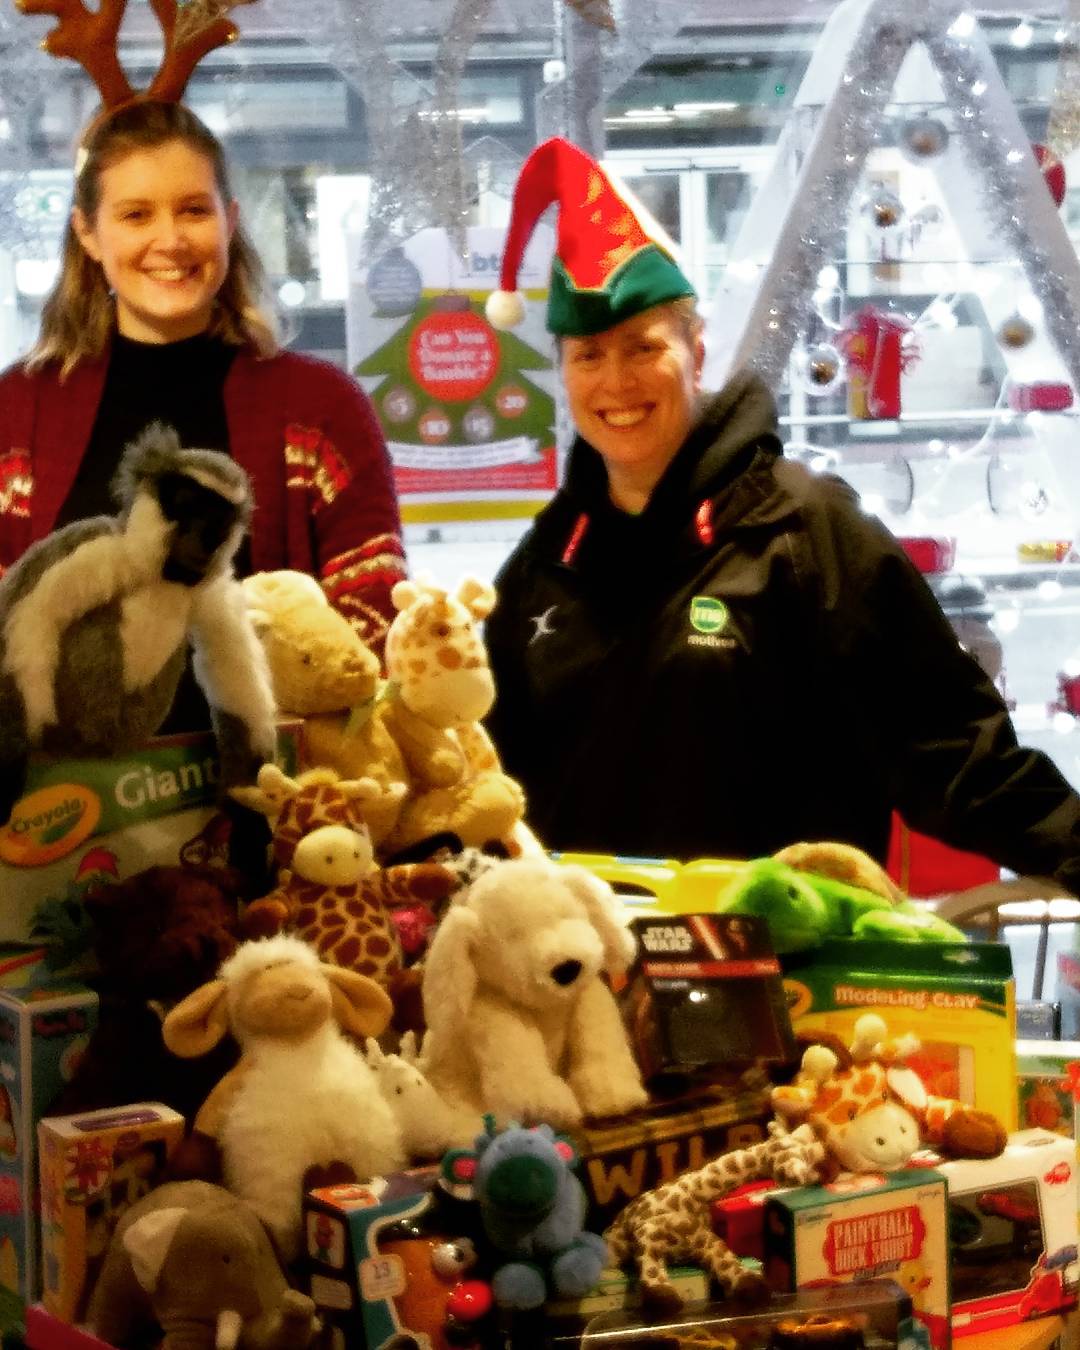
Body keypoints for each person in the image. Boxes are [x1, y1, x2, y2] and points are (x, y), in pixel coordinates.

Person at [482, 137, 1080, 895]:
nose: (617, 382)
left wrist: (1070, 841)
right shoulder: (545, 566)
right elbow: (489, 787)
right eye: (589, 356)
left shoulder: (805, 531)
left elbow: (948, 747)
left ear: (696, 351)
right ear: (564, 372)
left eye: (643, 347)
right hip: (589, 982)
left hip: (788, 982)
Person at [0, 99, 405, 660]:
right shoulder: (17, 410)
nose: (170, 240)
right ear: (88, 234)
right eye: (135, 215)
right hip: (61, 752)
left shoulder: (322, 407)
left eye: (193, 210)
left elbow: (375, 625)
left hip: (273, 749)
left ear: (229, 222)